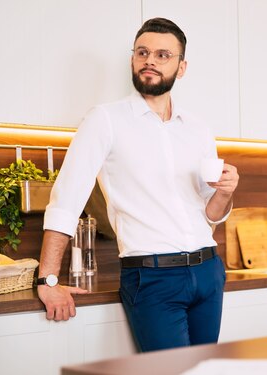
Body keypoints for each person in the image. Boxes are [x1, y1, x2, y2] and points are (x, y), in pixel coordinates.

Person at [36, 17, 239, 352]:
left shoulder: (198, 129)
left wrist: (225, 192)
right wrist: (48, 279)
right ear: (133, 59)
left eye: (163, 55)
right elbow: (66, 201)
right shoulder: (104, 119)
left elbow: (210, 214)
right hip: (153, 278)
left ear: (182, 66)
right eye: (142, 52)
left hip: (208, 272)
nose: (150, 61)